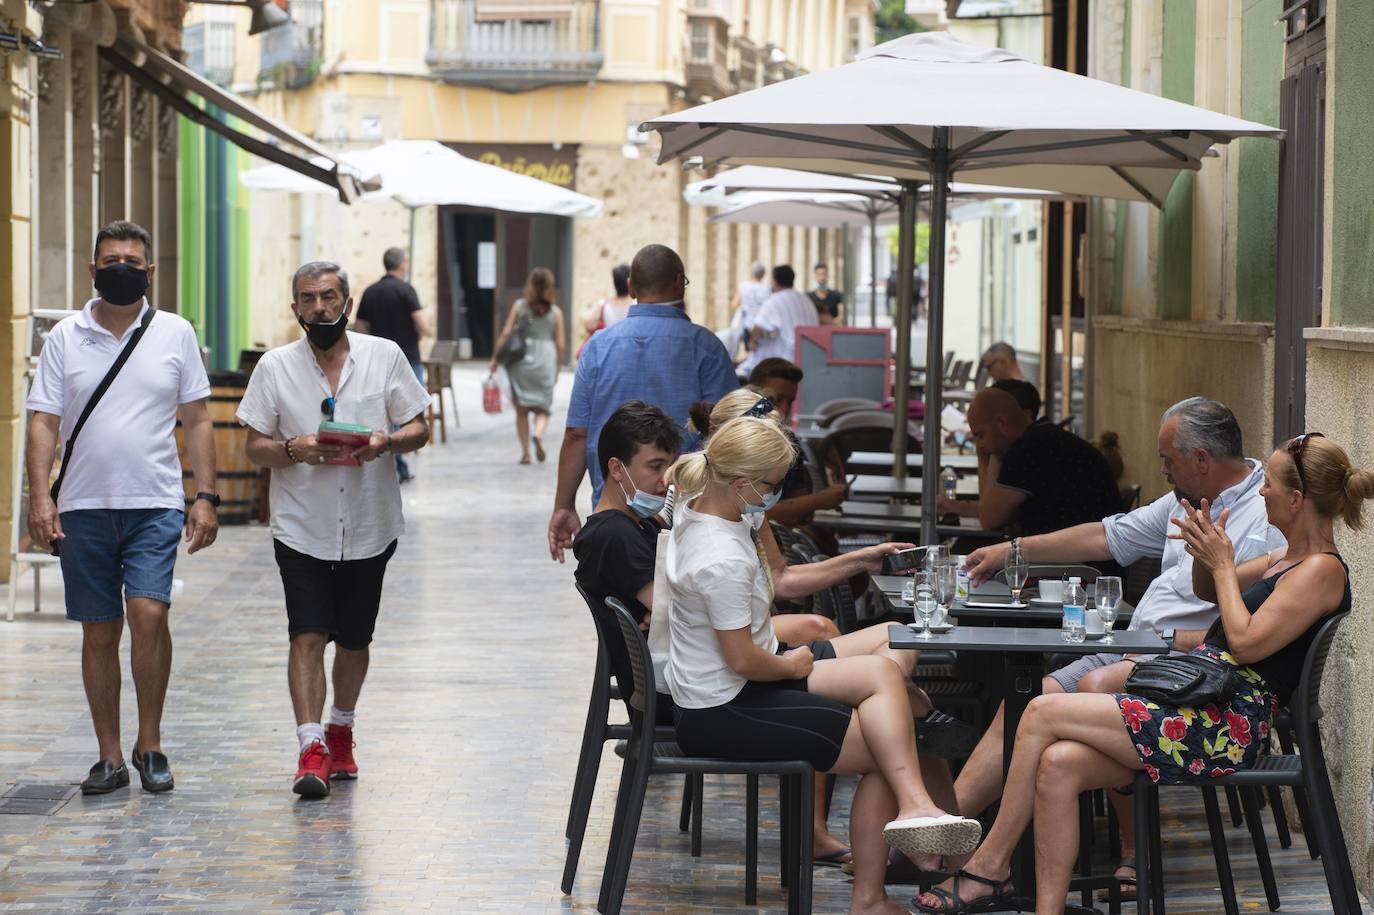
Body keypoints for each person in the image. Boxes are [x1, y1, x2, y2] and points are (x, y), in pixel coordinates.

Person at [916, 433, 1367, 915]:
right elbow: (1209, 590)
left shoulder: (1322, 571)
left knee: (1041, 710)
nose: (1262, 492)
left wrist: (1223, 563)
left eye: (1271, 485)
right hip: (1198, 705)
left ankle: (989, 868)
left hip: (1225, 724)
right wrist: (1205, 550)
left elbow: (1245, 641)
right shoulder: (1284, 559)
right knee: (1058, 764)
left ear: (1297, 501)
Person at [948, 396, 1282, 894]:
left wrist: (1163, 641)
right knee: (1025, 701)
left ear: (1201, 460)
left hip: (1190, 667)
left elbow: (1244, 627)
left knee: (1083, 695)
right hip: (1137, 647)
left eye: (1168, 459)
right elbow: (1108, 537)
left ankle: (1128, 849)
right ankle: (939, 832)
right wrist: (1013, 550)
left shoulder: (1263, 515)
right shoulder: (1184, 500)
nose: (1161, 469)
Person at [666, 417, 982, 914]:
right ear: (742, 483)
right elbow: (743, 659)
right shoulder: (719, 556)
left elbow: (771, 598)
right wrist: (793, 669)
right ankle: (874, 893)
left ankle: (918, 804)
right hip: (724, 708)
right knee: (889, 743)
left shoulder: (707, 507)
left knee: (886, 679)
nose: (777, 497)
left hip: (730, 689)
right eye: (772, 486)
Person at [24, 220, 219, 796]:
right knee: (100, 631)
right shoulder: (65, 337)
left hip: (154, 501)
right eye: (111, 260)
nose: (122, 268)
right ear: (92, 269)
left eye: (133, 261)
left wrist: (204, 496)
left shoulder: (175, 333)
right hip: (82, 505)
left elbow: (198, 418)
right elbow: (43, 422)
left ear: (151, 272)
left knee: (150, 616)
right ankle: (109, 755)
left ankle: (150, 743)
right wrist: (40, 498)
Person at [237, 260, 431, 799]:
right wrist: (294, 448)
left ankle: (341, 727)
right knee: (307, 633)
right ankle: (310, 746)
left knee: (354, 637)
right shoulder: (275, 368)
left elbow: (419, 427)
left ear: (346, 302)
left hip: (370, 524)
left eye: (328, 297)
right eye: (307, 298)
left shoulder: (384, 357)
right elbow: (254, 444)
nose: (318, 307)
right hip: (301, 525)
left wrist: (385, 442)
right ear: (294, 308)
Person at [548, 244, 737, 561]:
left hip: (616, 514)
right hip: (693, 514)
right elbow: (728, 433)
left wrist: (564, 506)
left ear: (631, 287)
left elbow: (577, 434)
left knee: (618, 602)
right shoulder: (706, 347)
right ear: (679, 283)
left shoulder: (598, 347)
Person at [937, 387, 1122, 536]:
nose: (980, 445)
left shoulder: (1029, 449)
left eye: (980, 435)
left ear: (1001, 424)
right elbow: (996, 509)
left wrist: (992, 455)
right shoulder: (1043, 435)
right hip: (1088, 558)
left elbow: (989, 519)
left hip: (1077, 570)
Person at [356, 247, 430, 483]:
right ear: (403, 265)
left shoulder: (370, 292)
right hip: (408, 359)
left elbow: (359, 328)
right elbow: (423, 325)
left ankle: (397, 464)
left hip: (377, 362)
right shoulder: (406, 290)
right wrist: (420, 333)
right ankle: (399, 464)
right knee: (409, 415)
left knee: (382, 414)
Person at [491, 267, 565, 464]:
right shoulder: (556, 313)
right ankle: (538, 434)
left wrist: (495, 358)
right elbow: (561, 344)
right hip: (545, 360)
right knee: (543, 408)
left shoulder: (520, 306)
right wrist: (556, 367)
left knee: (522, 410)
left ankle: (525, 453)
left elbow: (506, 333)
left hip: (522, 360)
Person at [739, 265, 819, 378]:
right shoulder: (806, 300)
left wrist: (752, 344)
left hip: (785, 363)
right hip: (811, 360)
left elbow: (757, 328)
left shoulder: (774, 300)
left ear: (775, 281)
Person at [577, 263, 632, 359]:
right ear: (629, 283)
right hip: (630, 350)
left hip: (609, 351)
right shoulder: (636, 303)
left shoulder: (604, 304)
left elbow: (589, 325)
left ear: (614, 283)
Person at [728, 260, 771, 354]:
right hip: (762, 326)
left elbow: (734, 304)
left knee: (750, 352)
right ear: (763, 274)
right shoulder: (767, 288)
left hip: (747, 324)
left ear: (751, 272)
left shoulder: (744, 286)